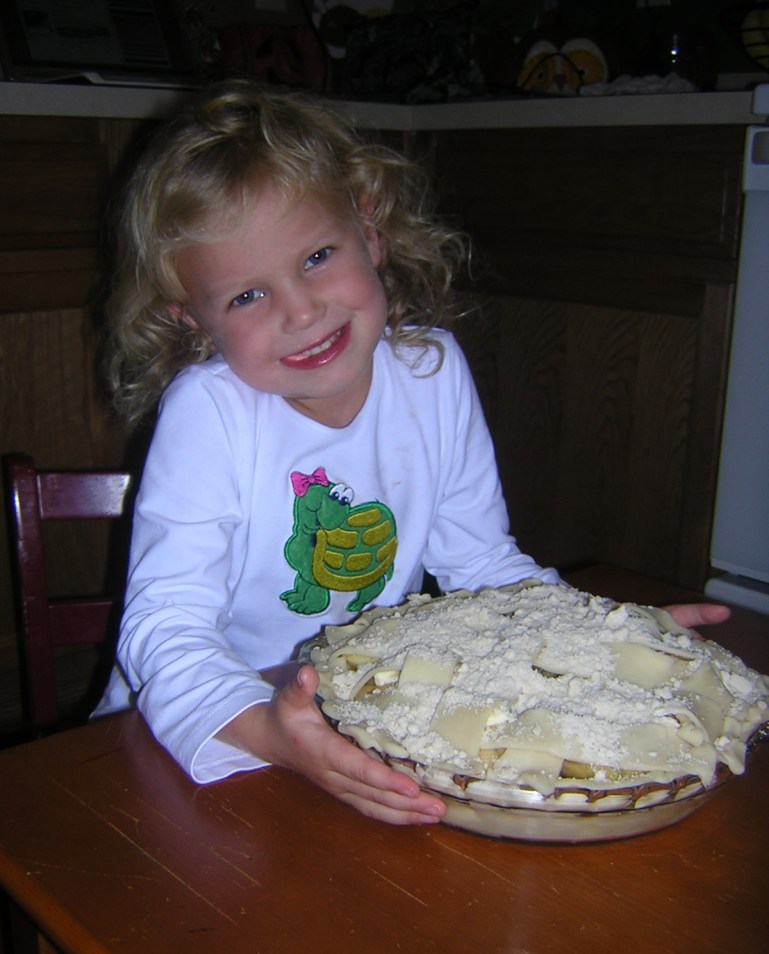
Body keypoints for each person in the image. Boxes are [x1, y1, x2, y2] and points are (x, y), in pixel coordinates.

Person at [96, 79, 728, 825]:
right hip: (195, 737)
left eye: (317, 255)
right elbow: (163, 632)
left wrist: (603, 637)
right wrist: (267, 728)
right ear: (193, 319)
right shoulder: (208, 414)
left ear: (370, 232)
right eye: (245, 296)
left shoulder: (432, 372)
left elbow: (483, 568)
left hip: (349, 722)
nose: (301, 310)